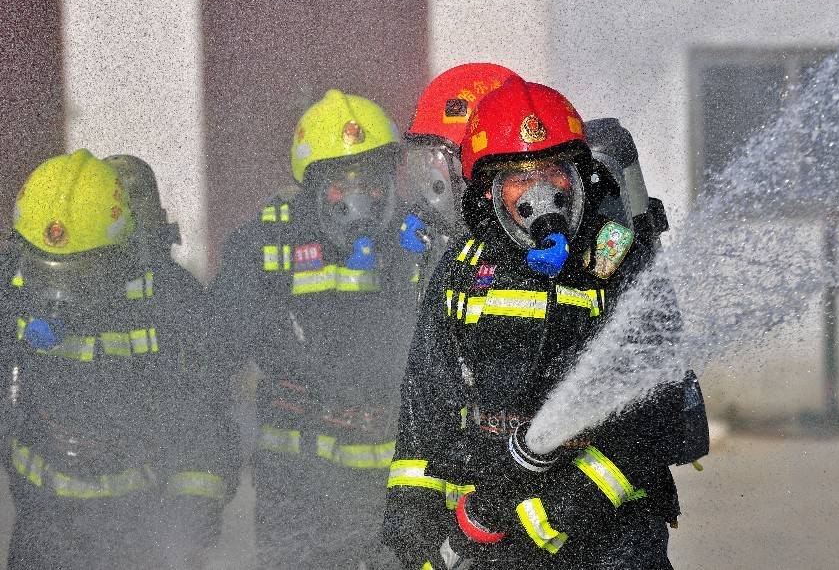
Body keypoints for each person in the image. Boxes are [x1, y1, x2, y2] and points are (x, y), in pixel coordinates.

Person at [381, 75, 709, 569]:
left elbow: (661, 413)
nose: (541, 196)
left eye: (553, 174)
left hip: (610, 542)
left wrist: (560, 510)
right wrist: (414, 518)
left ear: (578, 177)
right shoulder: (463, 271)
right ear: (489, 192)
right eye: (519, 179)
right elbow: (427, 407)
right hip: (496, 523)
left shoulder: (619, 260)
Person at [211, 89, 418, 568]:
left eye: (370, 180)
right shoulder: (266, 244)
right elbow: (215, 353)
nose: (358, 199)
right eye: (339, 185)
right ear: (311, 188)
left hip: (398, 483)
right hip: (297, 484)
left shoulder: (419, 241)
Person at [0, 149, 231, 569]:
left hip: (140, 522)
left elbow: (203, 410)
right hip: (39, 521)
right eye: (44, 271)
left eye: (77, 274)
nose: (57, 293)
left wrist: (196, 504)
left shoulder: (169, 298)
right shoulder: (9, 285)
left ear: (116, 257)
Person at [398, 63, 518, 289]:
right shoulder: (435, 238)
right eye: (420, 159)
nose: (427, 171)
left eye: (434, 156)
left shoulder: (510, 252)